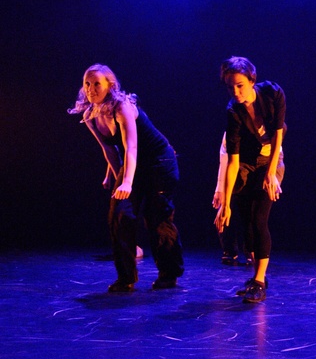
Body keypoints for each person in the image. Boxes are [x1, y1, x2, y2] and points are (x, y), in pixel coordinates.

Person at [69, 64, 184, 292]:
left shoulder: (122, 108)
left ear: (110, 86)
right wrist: (117, 179)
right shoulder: (90, 115)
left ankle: (169, 273)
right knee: (119, 215)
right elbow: (110, 150)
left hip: (159, 162)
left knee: (157, 218)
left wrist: (128, 182)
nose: (91, 89)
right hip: (132, 165)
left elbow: (131, 147)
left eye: (97, 84)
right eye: (87, 84)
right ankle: (126, 277)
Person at [214, 56, 286, 304]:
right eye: (230, 87)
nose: (235, 92)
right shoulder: (233, 111)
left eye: (240, 85)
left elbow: (278, 136)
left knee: (259, 218)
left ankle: (260, 280)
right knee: (246, 222)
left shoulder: (272, 94)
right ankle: (257, 276)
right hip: (245, 164)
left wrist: (271, 173)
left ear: (252, 80)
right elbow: (232, 161)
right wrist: (226, 203)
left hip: (270, 160)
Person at [212, 132, 249, 266]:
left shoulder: (263, 128)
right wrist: (219, 189)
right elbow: (224, 159)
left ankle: (251, 249)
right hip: (233, 171)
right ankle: (229, 250)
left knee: (251, 212)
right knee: (225, 208)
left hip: (254, 171)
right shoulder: (231, 132)